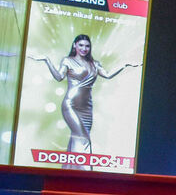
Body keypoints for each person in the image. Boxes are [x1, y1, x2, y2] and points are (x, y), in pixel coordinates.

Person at [28, 34, 139, 163]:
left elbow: (108, 75)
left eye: (87, 46)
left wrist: (124, 65)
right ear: (74, 45)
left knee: (77, 138)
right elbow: (59, 77)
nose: (84, 48)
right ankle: (84, 170)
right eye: (81, 45)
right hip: (71, 105)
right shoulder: (68, 61)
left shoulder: (94, 64)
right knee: (83, 139)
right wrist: (47, 60)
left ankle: (70, 170)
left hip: (86, 108)